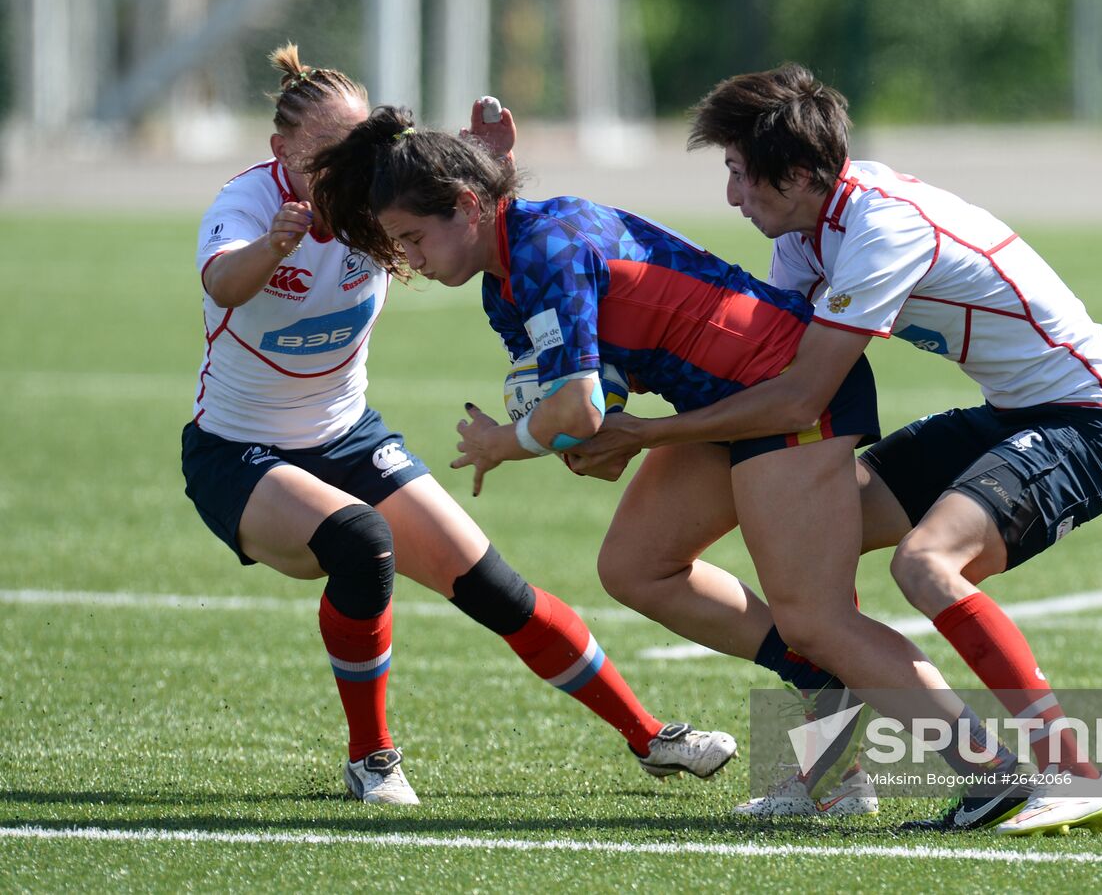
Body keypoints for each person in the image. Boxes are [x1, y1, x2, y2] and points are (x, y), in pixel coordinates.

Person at [310, 106, 1035, 829]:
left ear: (469, 207)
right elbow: (593, 399)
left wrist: (514, 441)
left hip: (782, 393)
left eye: (413, 238)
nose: (410, 259)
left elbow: (582, 407)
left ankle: (991, 772)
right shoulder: (505, 279)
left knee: (816, 619)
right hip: (723, 399)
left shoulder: (544, 251)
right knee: (636, 566)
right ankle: (832, 742)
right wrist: (576, 442)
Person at [570, 63, 1102, 837]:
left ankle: (1069, 770)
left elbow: (801, 396)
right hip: (1005, 413)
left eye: (741, 175)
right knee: (808, 561)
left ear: (799, 172)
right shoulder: (812, 226)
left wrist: (646, 435)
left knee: (923, 565)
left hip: (1087, 423)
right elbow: (765, 358)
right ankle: (833, 773)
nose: (732, 197)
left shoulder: (881, 229)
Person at [180, 45, 736, 806]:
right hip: (238, 453)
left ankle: (651, 737)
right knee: (360, 543)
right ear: (281, 152)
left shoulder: (371, 203)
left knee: (496, 589)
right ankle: (371, 760)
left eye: (362, 146)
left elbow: (463, 216)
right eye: (326, 155)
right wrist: (271, 246)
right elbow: (220, 281)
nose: (353, 167)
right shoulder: (247, 206)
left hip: (347, 437)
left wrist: (491, 166)